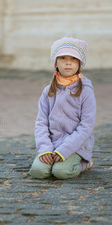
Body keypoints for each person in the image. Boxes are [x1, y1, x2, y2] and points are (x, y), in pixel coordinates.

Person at [29, 37, 96, 179]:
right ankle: (51, 162)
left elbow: (87, 125)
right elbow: (41, 122)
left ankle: (84, 163)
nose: (68, 62)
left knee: (61, 172)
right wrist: (45, 149)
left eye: (73, 58)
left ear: (80, 63)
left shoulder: (86, 91)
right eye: (63, 58)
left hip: (75, 146)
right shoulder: (48, 91)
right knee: (38, 171)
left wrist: (64, 150)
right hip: (52, 145)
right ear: (56, 63)